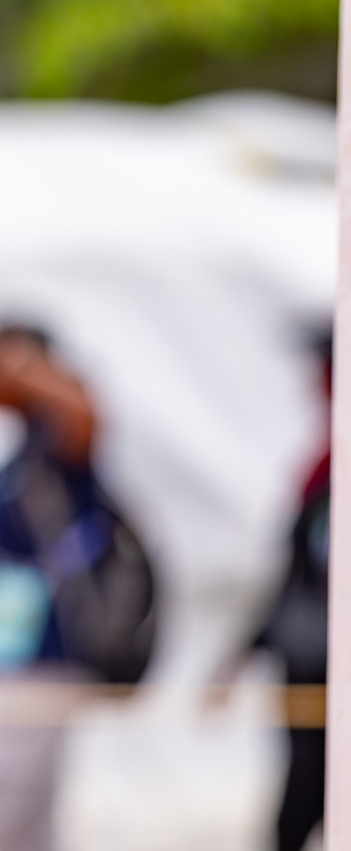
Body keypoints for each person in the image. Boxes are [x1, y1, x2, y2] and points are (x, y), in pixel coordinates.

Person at [0, 322, 155, 851]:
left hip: (43, 660)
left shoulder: (60, 444)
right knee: (25, 829)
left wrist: (25, 373)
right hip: (0, 656)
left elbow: (87, 416)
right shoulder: (4, 459)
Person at [250, 328, 331, 851]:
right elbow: (296, 566)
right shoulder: (323, 465)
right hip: (312, 656)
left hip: (322, 660)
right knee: (304, 790)